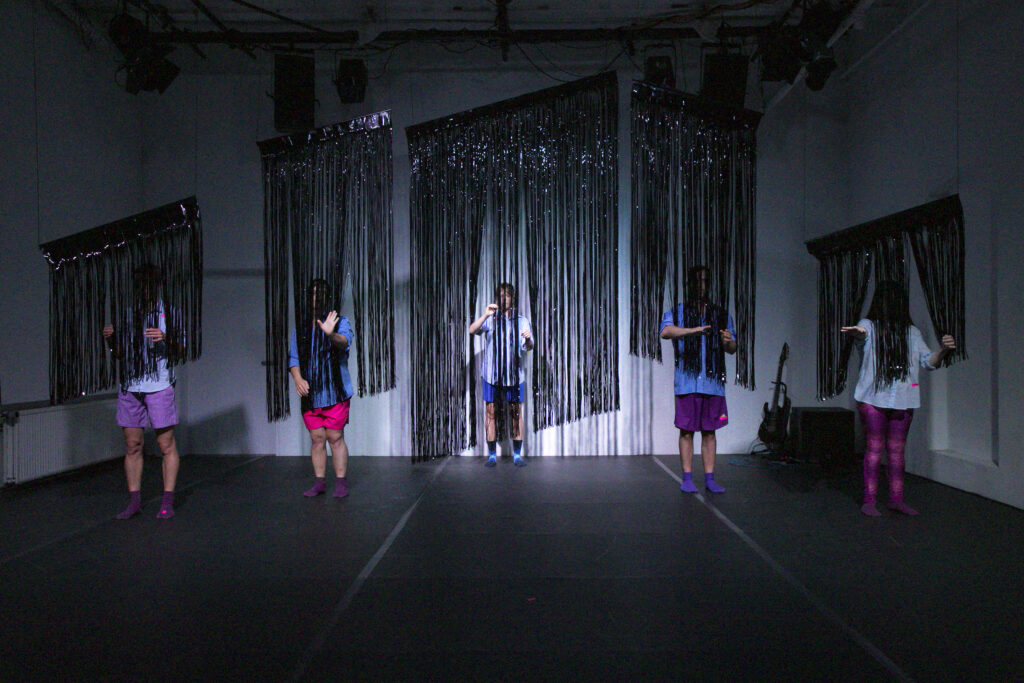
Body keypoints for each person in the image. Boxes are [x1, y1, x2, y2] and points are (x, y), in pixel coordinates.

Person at [842, 280, 956, 516]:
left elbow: (928, 362)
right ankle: (870, 500)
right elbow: (862, 336)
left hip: (904, 399)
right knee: (874, 449)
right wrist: (858, 334)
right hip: (872, 398)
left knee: (896, 451)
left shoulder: (912, 333)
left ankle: (896, 499)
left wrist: (944, 351)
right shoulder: (869, 326)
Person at [103, 263, 183, 519]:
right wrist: (112, 341)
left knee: (165, 444)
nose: (143, 290)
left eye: (147, 284)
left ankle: (167, 501)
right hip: (131, 385)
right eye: (139, 285)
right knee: (133, 444)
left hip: (159, 384)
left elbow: (183, 350)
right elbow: (120, 355)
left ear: (157, 286)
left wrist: (165, 338)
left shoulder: (169, 313)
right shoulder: (129, 315)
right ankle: (134, 501)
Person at [659, 265, 736, 494]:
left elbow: (731, 349)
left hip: (712, 382)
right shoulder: (678, 311)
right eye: (697, 281)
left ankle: (710, 478)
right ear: (690, 285)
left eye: (705, 281)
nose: (701, 286)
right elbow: (665, 332)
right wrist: (692, 331)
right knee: (686, 430)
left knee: (710, 431)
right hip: (687, 381)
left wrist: (727, 340)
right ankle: (687, 478)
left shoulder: (721, 314)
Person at [289, 279, 355, 499]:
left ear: (328, 297)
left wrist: (329, 334)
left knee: (335, 437)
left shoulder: (341, 322)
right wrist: (298, 378)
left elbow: (344, 342)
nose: (317, 299)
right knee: (317, 438)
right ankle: (319, 482)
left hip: (335, 392)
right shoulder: (301, 328)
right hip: (312, 394)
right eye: (313, 294)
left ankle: (341, 483)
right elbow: (294, 358)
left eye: (321, 294)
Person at [468, 282, 533, 467]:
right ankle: (491, 455)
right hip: (491, 374)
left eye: (507, 295)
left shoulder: (521, 320)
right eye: (501, 295)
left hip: (514, 376)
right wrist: (485, 314)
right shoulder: (491, 319)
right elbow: (472, 330)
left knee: (515, 414)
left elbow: (529, 347)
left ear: (513, 298)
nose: (504, 298)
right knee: (490, 413)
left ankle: (517, 455)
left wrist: (528, 339)